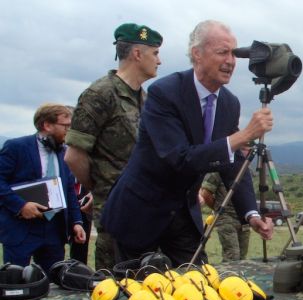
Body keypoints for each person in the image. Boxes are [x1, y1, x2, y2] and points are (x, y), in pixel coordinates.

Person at [101, 20, 274, 265]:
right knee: (138, 294)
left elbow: (232, 161)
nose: (231, 61)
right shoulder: (165, 93)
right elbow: (180, 158)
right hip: (141, 213)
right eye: (222, 52)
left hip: (183, 216)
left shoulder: (229, 103)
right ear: (197, 54)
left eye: (234, 54)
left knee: (198, 287)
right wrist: (244, 135)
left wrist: (251, 213)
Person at [64, 22, 162, 270]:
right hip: (115, 211)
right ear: (137, 54)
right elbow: (74, 156)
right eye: (155, 53)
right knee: (114, 283)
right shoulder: (100, 94)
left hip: (145, 207)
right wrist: (100, 188)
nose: (159, 61)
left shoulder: (145, 98)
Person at [0, 104, 86, 273]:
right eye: (66, 126)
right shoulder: (16, 147)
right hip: (20, 230)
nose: (69, 130)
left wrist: (76, 222)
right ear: (47, 125)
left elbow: (69, 190)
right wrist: (21, 206)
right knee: (16, 282)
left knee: (53, 282)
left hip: (54, 231)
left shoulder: (64, 153)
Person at [199, 172, 250, 262]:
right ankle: (229, 275)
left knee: (242, 256)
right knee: (232, 256)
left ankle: (238, 275)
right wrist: (219, 209)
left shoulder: (244, 170)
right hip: (226, 217)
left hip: (242, 218)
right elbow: (206, 194)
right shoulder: (218, 170)